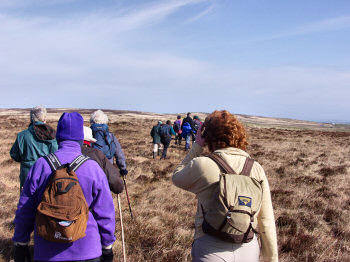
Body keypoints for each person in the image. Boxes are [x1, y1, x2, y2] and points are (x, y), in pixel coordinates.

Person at [172, 110, 278, 262]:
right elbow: (266, 221)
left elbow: (177, 177)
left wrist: (197, 146)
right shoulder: (256, 168)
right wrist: (272, 258)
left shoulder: (203, 165)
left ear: (207, 136)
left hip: (210, 248)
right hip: (247, 249)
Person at [13, 112, 116, 262]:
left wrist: (21, 243)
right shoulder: (92, 168)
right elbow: (105, 212)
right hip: (87, 250)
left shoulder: (41, 166)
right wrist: (107, 246)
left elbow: (25, 209)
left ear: (58, 136)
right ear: (81, 137)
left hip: (47, 251)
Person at [10, 105, 58, 193]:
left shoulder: (22, 135)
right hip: (46, 173)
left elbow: (14, 155)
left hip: (27, 174)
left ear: (31, 118)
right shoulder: (53, 135)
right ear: (44, 118)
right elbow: (56, 155)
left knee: (26, 202)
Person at [82, 126, 124, 194]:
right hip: (94, 197)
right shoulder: (97, 154)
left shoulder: (62, 153)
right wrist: (123, 168)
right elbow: (116, 184)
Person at [90, 110, 128, 177]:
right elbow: (119, 154)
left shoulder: (88, 136)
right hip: (108, 171)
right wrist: (123, 168)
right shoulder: (110, 136)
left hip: (92, 171)